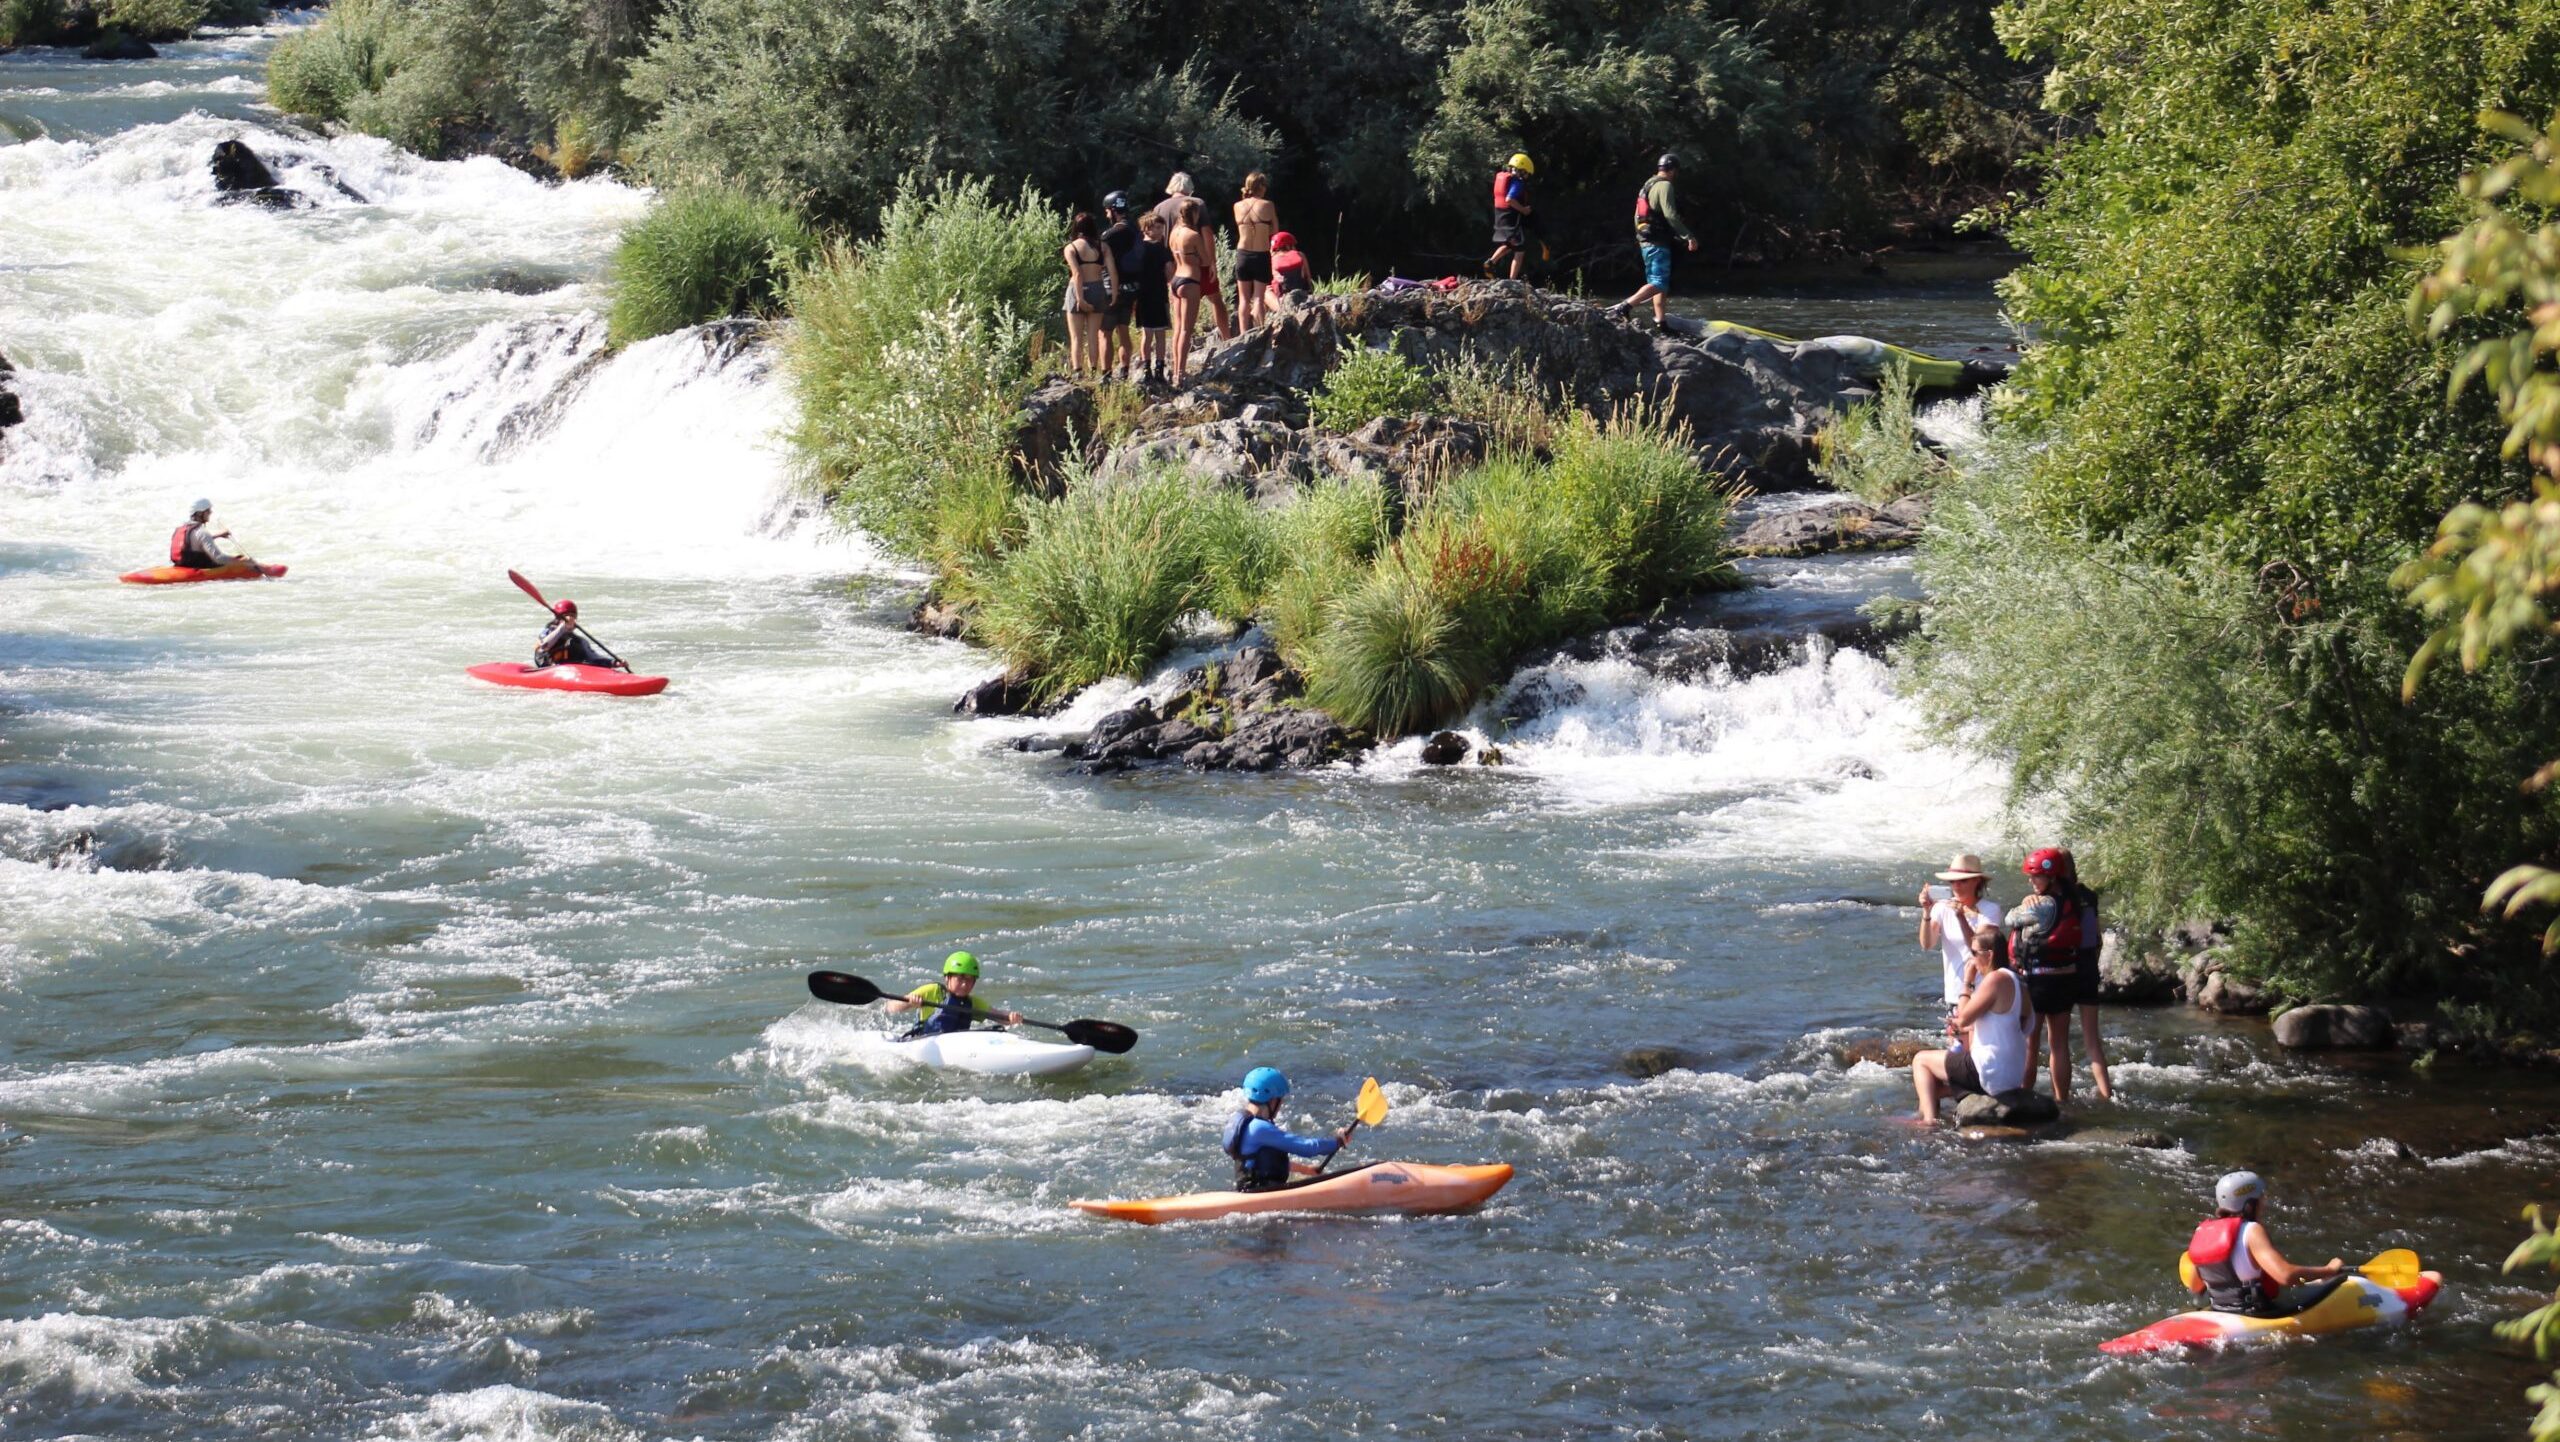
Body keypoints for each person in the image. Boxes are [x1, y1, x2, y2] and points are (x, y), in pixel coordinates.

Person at [2009, 847, 2113, 1103]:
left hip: (2039, 982)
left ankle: (2024, 1097)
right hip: (2066, 977)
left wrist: (2024, 902)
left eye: (2035, 877)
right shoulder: (2075, 900)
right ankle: (2062, 1101)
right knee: (2059, 1045)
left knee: (2031, 1047)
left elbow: (2010, 919)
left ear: (2052, 877)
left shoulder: (2042, 905)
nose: (2031, 882)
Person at [2180, 1171, 2349, 1317]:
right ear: (2249, 1204)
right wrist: (2329, 1270)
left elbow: (2195, 1285)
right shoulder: (2252, 1231)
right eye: (2261, 1197)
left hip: (2219, 1310)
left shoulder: (2203, 1232)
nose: (2264, 1202)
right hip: (2256, 1313)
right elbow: (2285, 1275)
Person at [1909, 926, 2032, 1123]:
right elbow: (2026, 1026)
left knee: (1921, 1060)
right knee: (1933, 1084)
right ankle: (1927, 1113)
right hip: (2012, 1076)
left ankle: (1928, 1122)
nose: (1971, 959)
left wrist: (1968, 982)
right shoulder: (2017, 980)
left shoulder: (1994, 980)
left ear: (1989, 955)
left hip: (1990, 1071)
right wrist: (1969, 1026)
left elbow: (1964, 1016)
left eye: (1974, 953)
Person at [1222, 1067, 1352, 1192]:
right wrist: (1338, 1142)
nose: (1281, 1105)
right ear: (1272, 1101)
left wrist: (1306, 1170)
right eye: (1280, 1100)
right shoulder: (1259, 1128)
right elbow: (1307, 1148)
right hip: (1261, 1192)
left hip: (1250, 1189)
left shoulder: (1242, 1122)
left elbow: (1264, 1162)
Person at [1610, 153, 1698, 328]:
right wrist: (1689, 236)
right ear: (1673, 171)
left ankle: (1661, 321)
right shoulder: (1665, 186)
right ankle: (1624, 307)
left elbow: (1637, 216)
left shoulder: (1648, 185)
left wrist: (1641, 237)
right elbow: (1671, 216)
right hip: (1657, 242)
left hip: (1646, 241)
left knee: (1657, 283)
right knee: (1659, 282)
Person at [1918, 852, 2005, 1024]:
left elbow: (1977, 948)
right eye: (1952, 881)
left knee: (1981, 1045)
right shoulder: (1942, 908)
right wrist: (1926, 912)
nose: (1957, 886)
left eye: (1962, 881)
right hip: (1955, 991)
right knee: (1957, 1047)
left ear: (1977, 881)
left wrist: (1961, 917)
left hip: (1983, 990)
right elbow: (1927, 944)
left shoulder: (1990, 910)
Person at [1154, 173, 1233, 340]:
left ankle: (1180, 353)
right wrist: (1211, 263)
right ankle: (1227, 338)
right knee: (1215, 299)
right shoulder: (1197, 203)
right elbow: (1207, 234)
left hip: (1173, 267)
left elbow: (1157, 241)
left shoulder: (1159, 208)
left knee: (1179, 310)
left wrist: (1163, 266)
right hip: (1196, 263)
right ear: (1189, 188)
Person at [880, 951, 1025, 1038]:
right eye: (960, 978)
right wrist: (910, 1002)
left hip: (956, 1046)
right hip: (924, 1041)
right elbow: (891, 1007)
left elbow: (999, 1016)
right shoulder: (933, 991)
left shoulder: (973, 1003)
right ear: (947, 978)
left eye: (970, 980)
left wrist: (1011, 1017)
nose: (965, 984)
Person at [1061, 210, 1120, 375]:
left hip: (1076, 290)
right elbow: (1112, 271)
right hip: (1097, 288)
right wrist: (1114, 293)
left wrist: (1080, 299)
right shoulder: (1103, 247)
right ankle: (1094, 369)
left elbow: (1077, 274)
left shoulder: (1071, 248)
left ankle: (1078, 371)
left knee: (1076, 337)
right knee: (1093, 335)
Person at [1168, 196, 1214, 389]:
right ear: (1194, 214)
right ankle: (1181, 373)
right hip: (1190, 280)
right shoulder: (1193, 235)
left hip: (1176, 279)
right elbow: (1204, 259)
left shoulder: (1174, 233)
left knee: (1177, 329)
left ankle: (1175, 371)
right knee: (1187, 330)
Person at [1100, 192, 1142, 377]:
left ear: (1113, 210)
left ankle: (1106, 374)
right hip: (1133, 288)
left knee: (1105, 333)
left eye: (1108, 211)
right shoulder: (1137, 230)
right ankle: (1124, 370)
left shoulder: (1109, 235)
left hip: (1112, 288)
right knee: (1124, 331)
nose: (1107, 215)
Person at [1132, 210, 1175, 383]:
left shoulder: (1137, 249)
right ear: (1146, 229)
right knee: (1159, 333)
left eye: (1161, 228)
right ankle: (1159, 369)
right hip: (1157, 293)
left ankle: (1147, 368)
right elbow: (1170, 271)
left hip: (1143, 294)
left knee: (1147, 332)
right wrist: (1168, 281)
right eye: (1156, 228)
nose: (1159, 231)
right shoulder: (1161, 249)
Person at [1231, 171, 1277, 331]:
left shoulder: (1237, 206)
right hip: (1260, 254)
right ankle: (1259, 331)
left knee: (1243, 299)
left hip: (1242, 254)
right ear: (1261, 186)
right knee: (1258, 297)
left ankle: (1244, 335)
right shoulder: (1268, 205)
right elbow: (1275, 229)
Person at [1485, 152, 1534, 279]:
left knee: (1510, 244)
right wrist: (1523, 209)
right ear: (1522, 171)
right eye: (1527, 173)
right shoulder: (1517, 183)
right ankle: (1512, 281)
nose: (1527, 176)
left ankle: (1490, 262)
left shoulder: (1505, 178)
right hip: (1511, 219)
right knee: (1520, 250)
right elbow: (1509, 199)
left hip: (1500, 216)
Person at [533, 599, 620, 670]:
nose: (570, 619)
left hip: (572, 671)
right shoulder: (548, 632)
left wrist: (614, 663)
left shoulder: (579, 641)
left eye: (573, 616)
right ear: (557, 619)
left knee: (575, 644)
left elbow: (593, 658)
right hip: (549, 669)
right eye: (566, 616)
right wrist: (562, 627)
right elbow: (544, 646)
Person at [170, 498, 253, 570]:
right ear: (199, 513)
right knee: (235, 559)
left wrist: (218, 535)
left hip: (180, 565)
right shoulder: (202, 532)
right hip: (197, 567)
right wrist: (242, 561)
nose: (210, 512)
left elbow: (194, 542)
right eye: (208, 511)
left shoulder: (180, 529)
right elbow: (219, 558)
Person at [1266, 230, 1313, 307]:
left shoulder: (1272, 259)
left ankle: (1277, 311)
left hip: (1283, 300)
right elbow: (1309, 279)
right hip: (1303, 296)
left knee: (1265, 291)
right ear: (1288, 246)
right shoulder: (1301, 255)